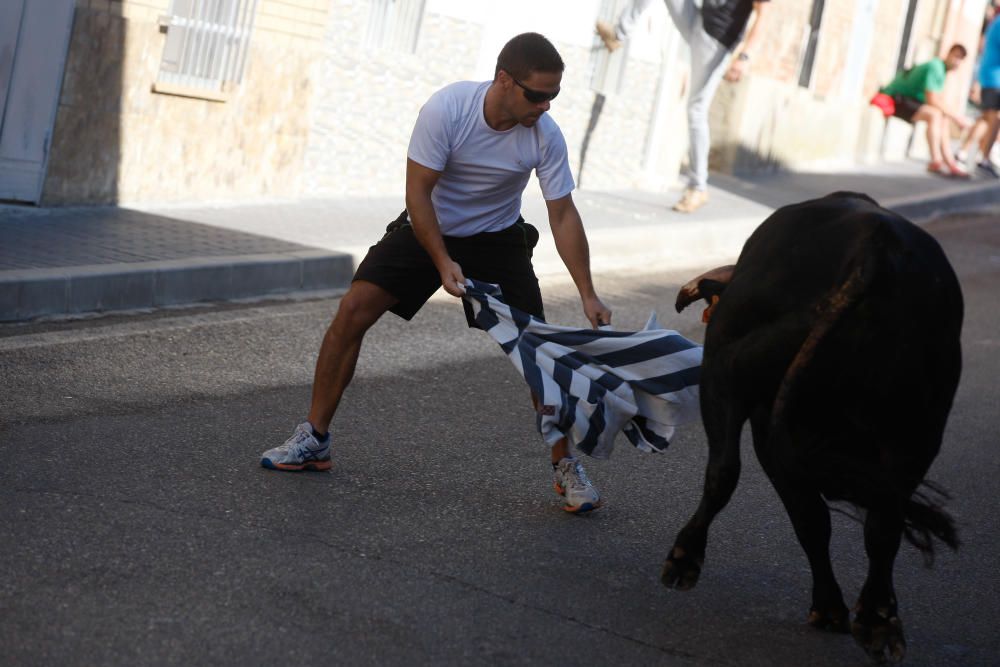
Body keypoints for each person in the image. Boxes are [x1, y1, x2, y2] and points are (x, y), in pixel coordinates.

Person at [259, 33, 613, 514]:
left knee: (538, 351)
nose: (546, 105)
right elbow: (418, 195)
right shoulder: (448, 110)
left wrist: (588, 293)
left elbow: (563, 216)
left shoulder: (544, 136)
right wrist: (443, 261)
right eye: (537, 94)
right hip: (429, 224)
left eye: (554, 95)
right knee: (353, 310)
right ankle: (314, 438)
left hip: (499, 238)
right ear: (504, 81)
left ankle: (565, 466)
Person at [596, 0, 771, 213]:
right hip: (697, 21)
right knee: (696, 110)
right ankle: (618, 33)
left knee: (696, 110)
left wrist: (744, 58)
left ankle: (698, 187)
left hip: (716, 42)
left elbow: (764, 17)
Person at [879, 43, 972, 178]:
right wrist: (957, 118)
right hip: (895, 98)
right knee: (934, 115)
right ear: (949, 54)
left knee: (942, 117)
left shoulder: (942, 71)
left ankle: (950, 162)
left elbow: (939, 102)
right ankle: (935, 161)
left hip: (909, 100)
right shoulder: (936, 67)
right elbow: (932, 100)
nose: (957, 62)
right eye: (956, 56)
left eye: (960, 60)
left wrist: (953, 115)